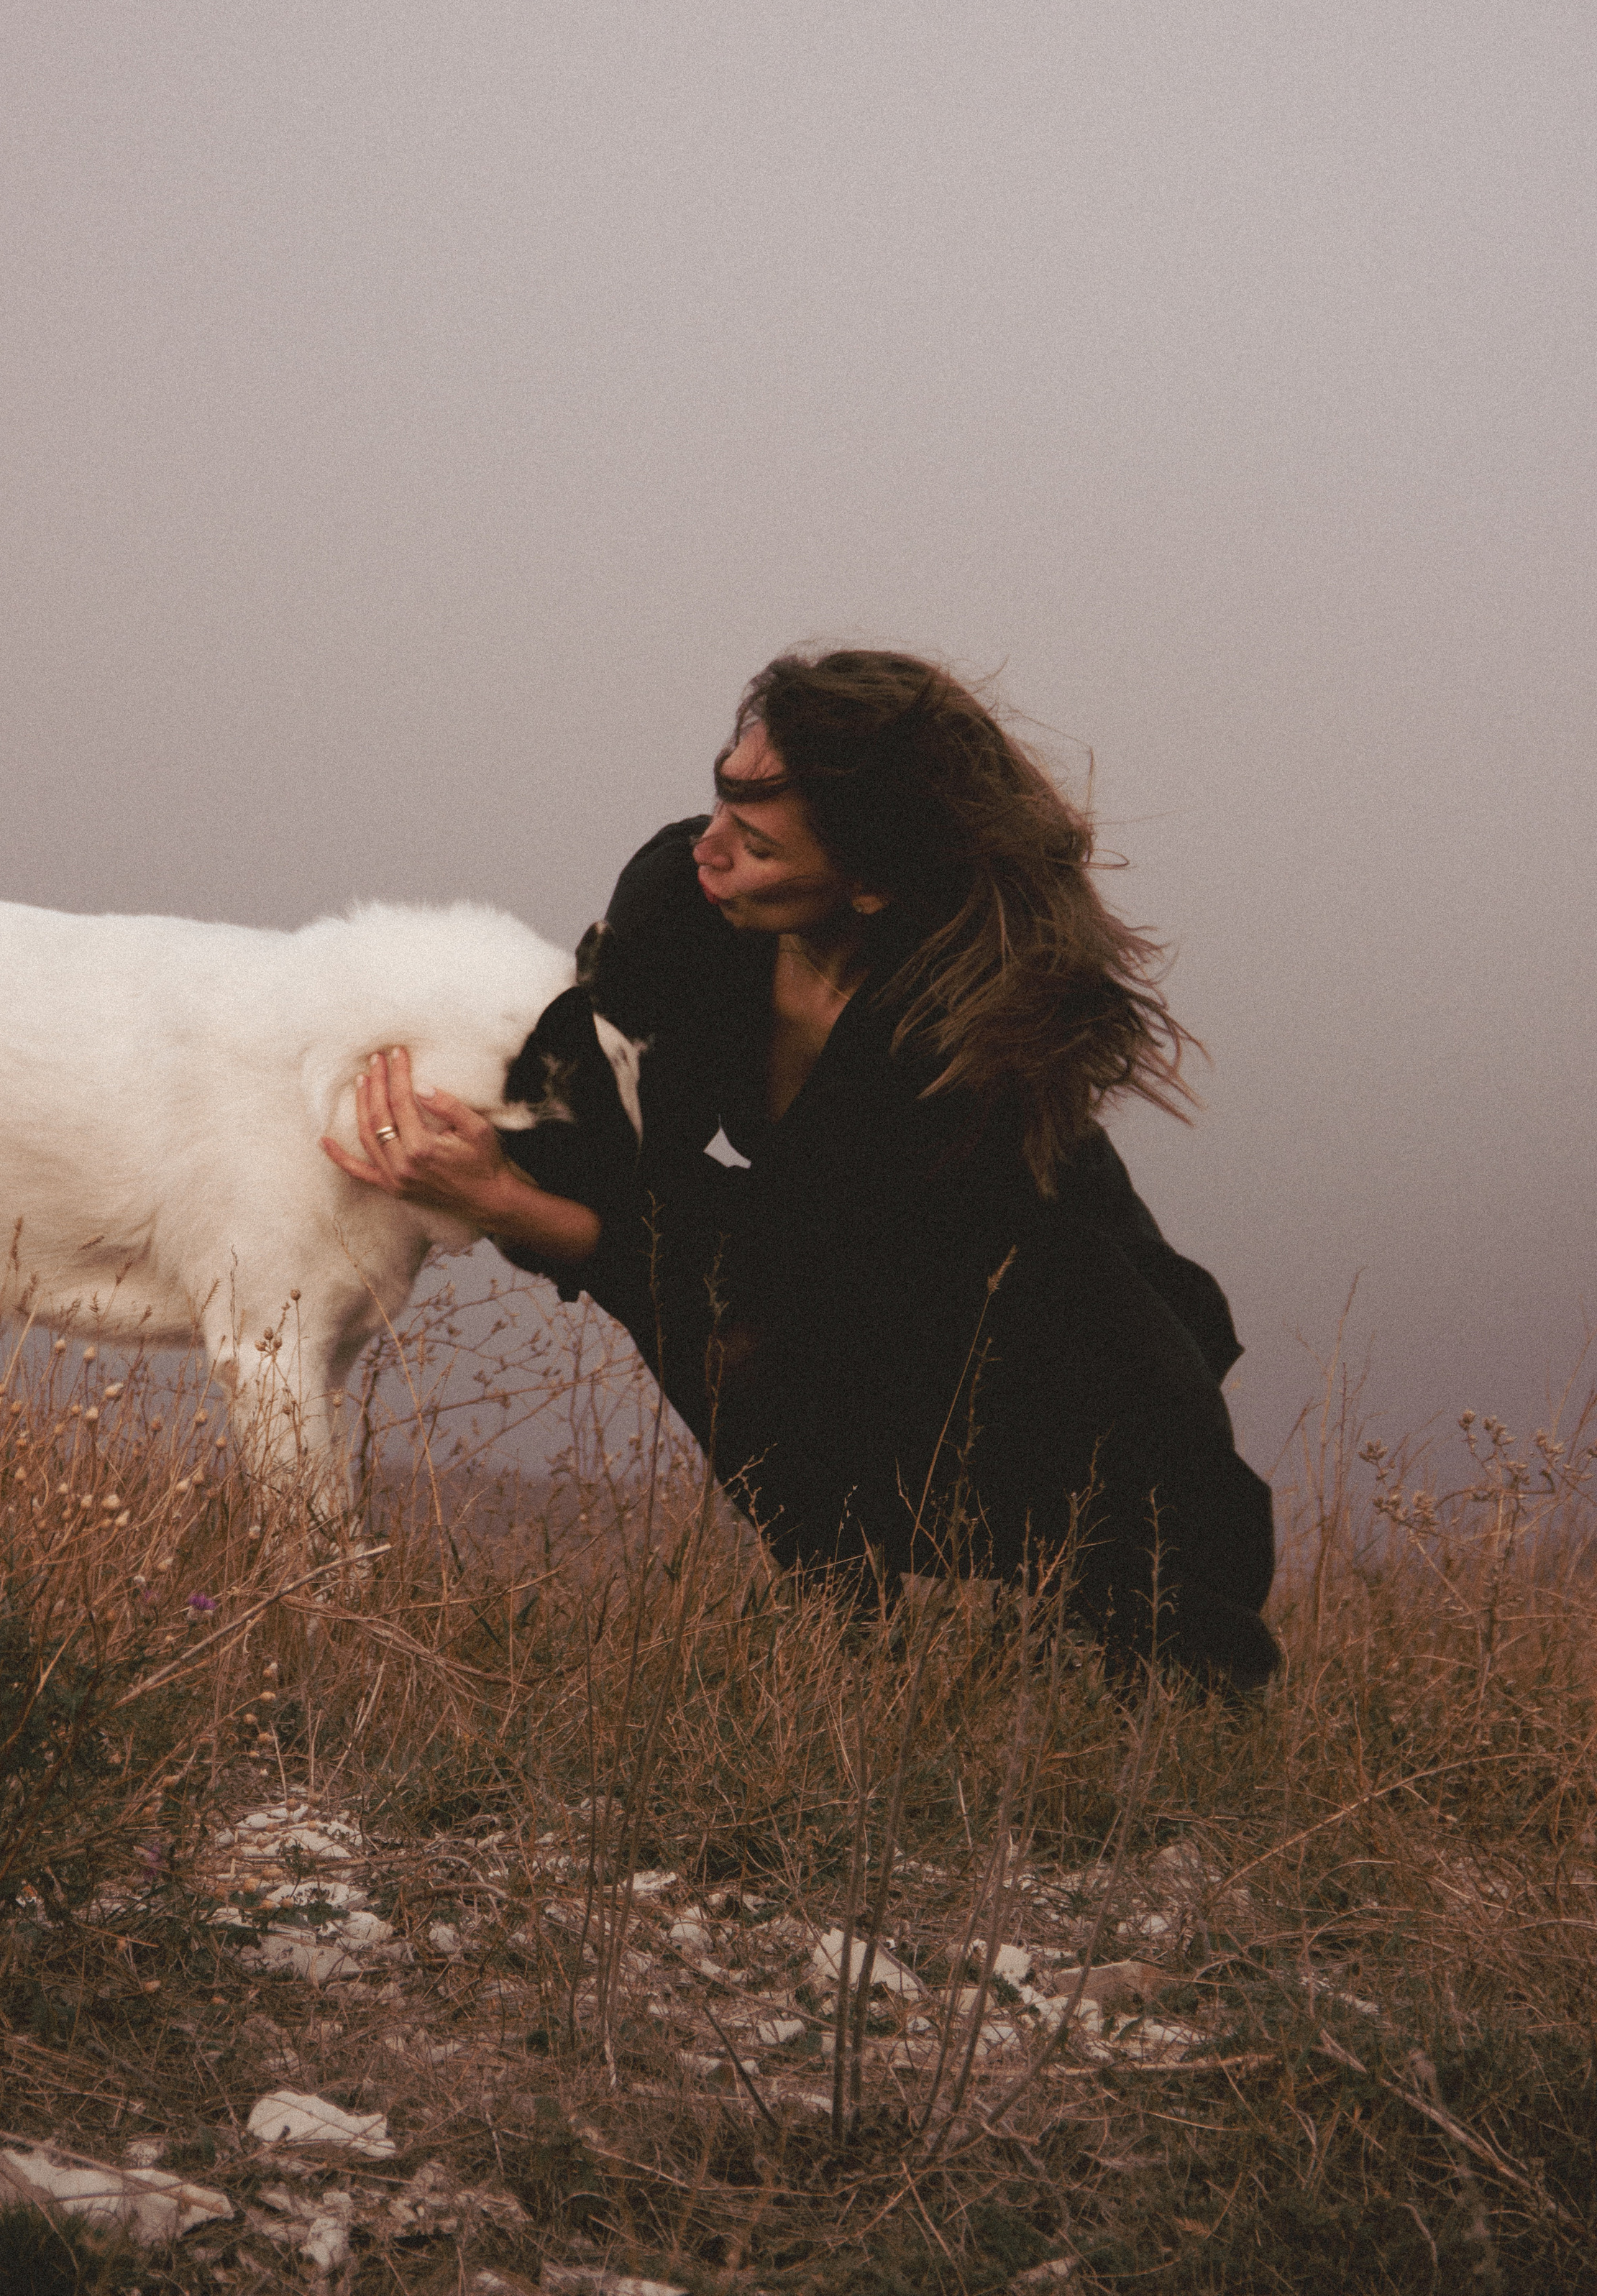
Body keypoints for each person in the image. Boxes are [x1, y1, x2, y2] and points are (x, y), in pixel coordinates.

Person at [325, 650, 1280, 1690]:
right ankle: (841, 1622)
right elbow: (604, 1133)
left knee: (1153, 1661)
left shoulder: (965, 1045)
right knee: (697, 1302)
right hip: (842, 1269)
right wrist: (489, 1141)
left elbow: (802, 1256)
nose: (712, 853)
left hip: (1054, 1345)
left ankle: (1147, 1657)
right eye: (721, 805)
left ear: (871, 882)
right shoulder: (687, 903)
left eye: (761, 842)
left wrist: (514, 1204)